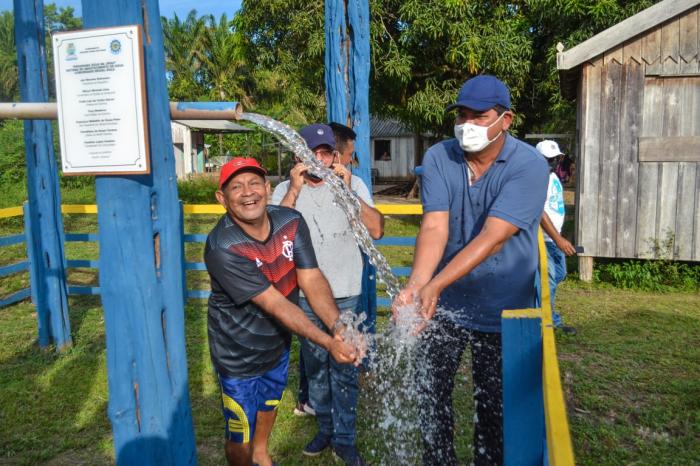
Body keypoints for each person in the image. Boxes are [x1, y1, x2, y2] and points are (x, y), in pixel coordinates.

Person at [393, 75, 549, 465]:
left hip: (505, 308)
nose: (467, 125)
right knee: (430, 395)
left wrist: (436, 283)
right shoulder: (439, 158)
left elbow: (494, 236)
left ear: (506, 119)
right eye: (461, 115)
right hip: (444, 306)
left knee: (495, 407)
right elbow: (435, 226)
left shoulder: (529, 166)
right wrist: (417, 286)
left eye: (479, 116)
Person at [205, 157, 363, 466]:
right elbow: (274, 302)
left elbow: (311, 277)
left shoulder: (291, 221)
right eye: (236, 187)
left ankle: (262, 456)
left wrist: (339, 327)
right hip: (237, 355)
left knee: (268, 406)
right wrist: (329, 342)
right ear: (222, 199)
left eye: (253, 183)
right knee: (240, 432)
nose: (247, 193)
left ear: (267, 188)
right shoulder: (223, 246)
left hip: (277, 345)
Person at [272, 124, 384, 466]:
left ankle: (346, 438)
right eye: (312, 153)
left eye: (325, 153)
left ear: (335, 156)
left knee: (345, 366)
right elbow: (275, 241)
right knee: (315, 365)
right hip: (304, 296)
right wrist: (293, 190)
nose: (319, 159)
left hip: (347, 292)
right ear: (298, 157)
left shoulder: (353, 183)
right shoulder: (284, 189)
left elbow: (377, 230)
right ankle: (325, 427)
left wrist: (347, 189)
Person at [535, 140, 577, 335]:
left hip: (554, 238)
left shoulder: (553, 178)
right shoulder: (537, 178)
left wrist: (559, 236)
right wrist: (558, 239)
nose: (552, 163)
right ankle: (548, 322)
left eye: (555, 159)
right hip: (543, 239)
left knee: (559, 274)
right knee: (548, 280)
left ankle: (540, 313)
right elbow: (539, 212)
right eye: (547, 160)